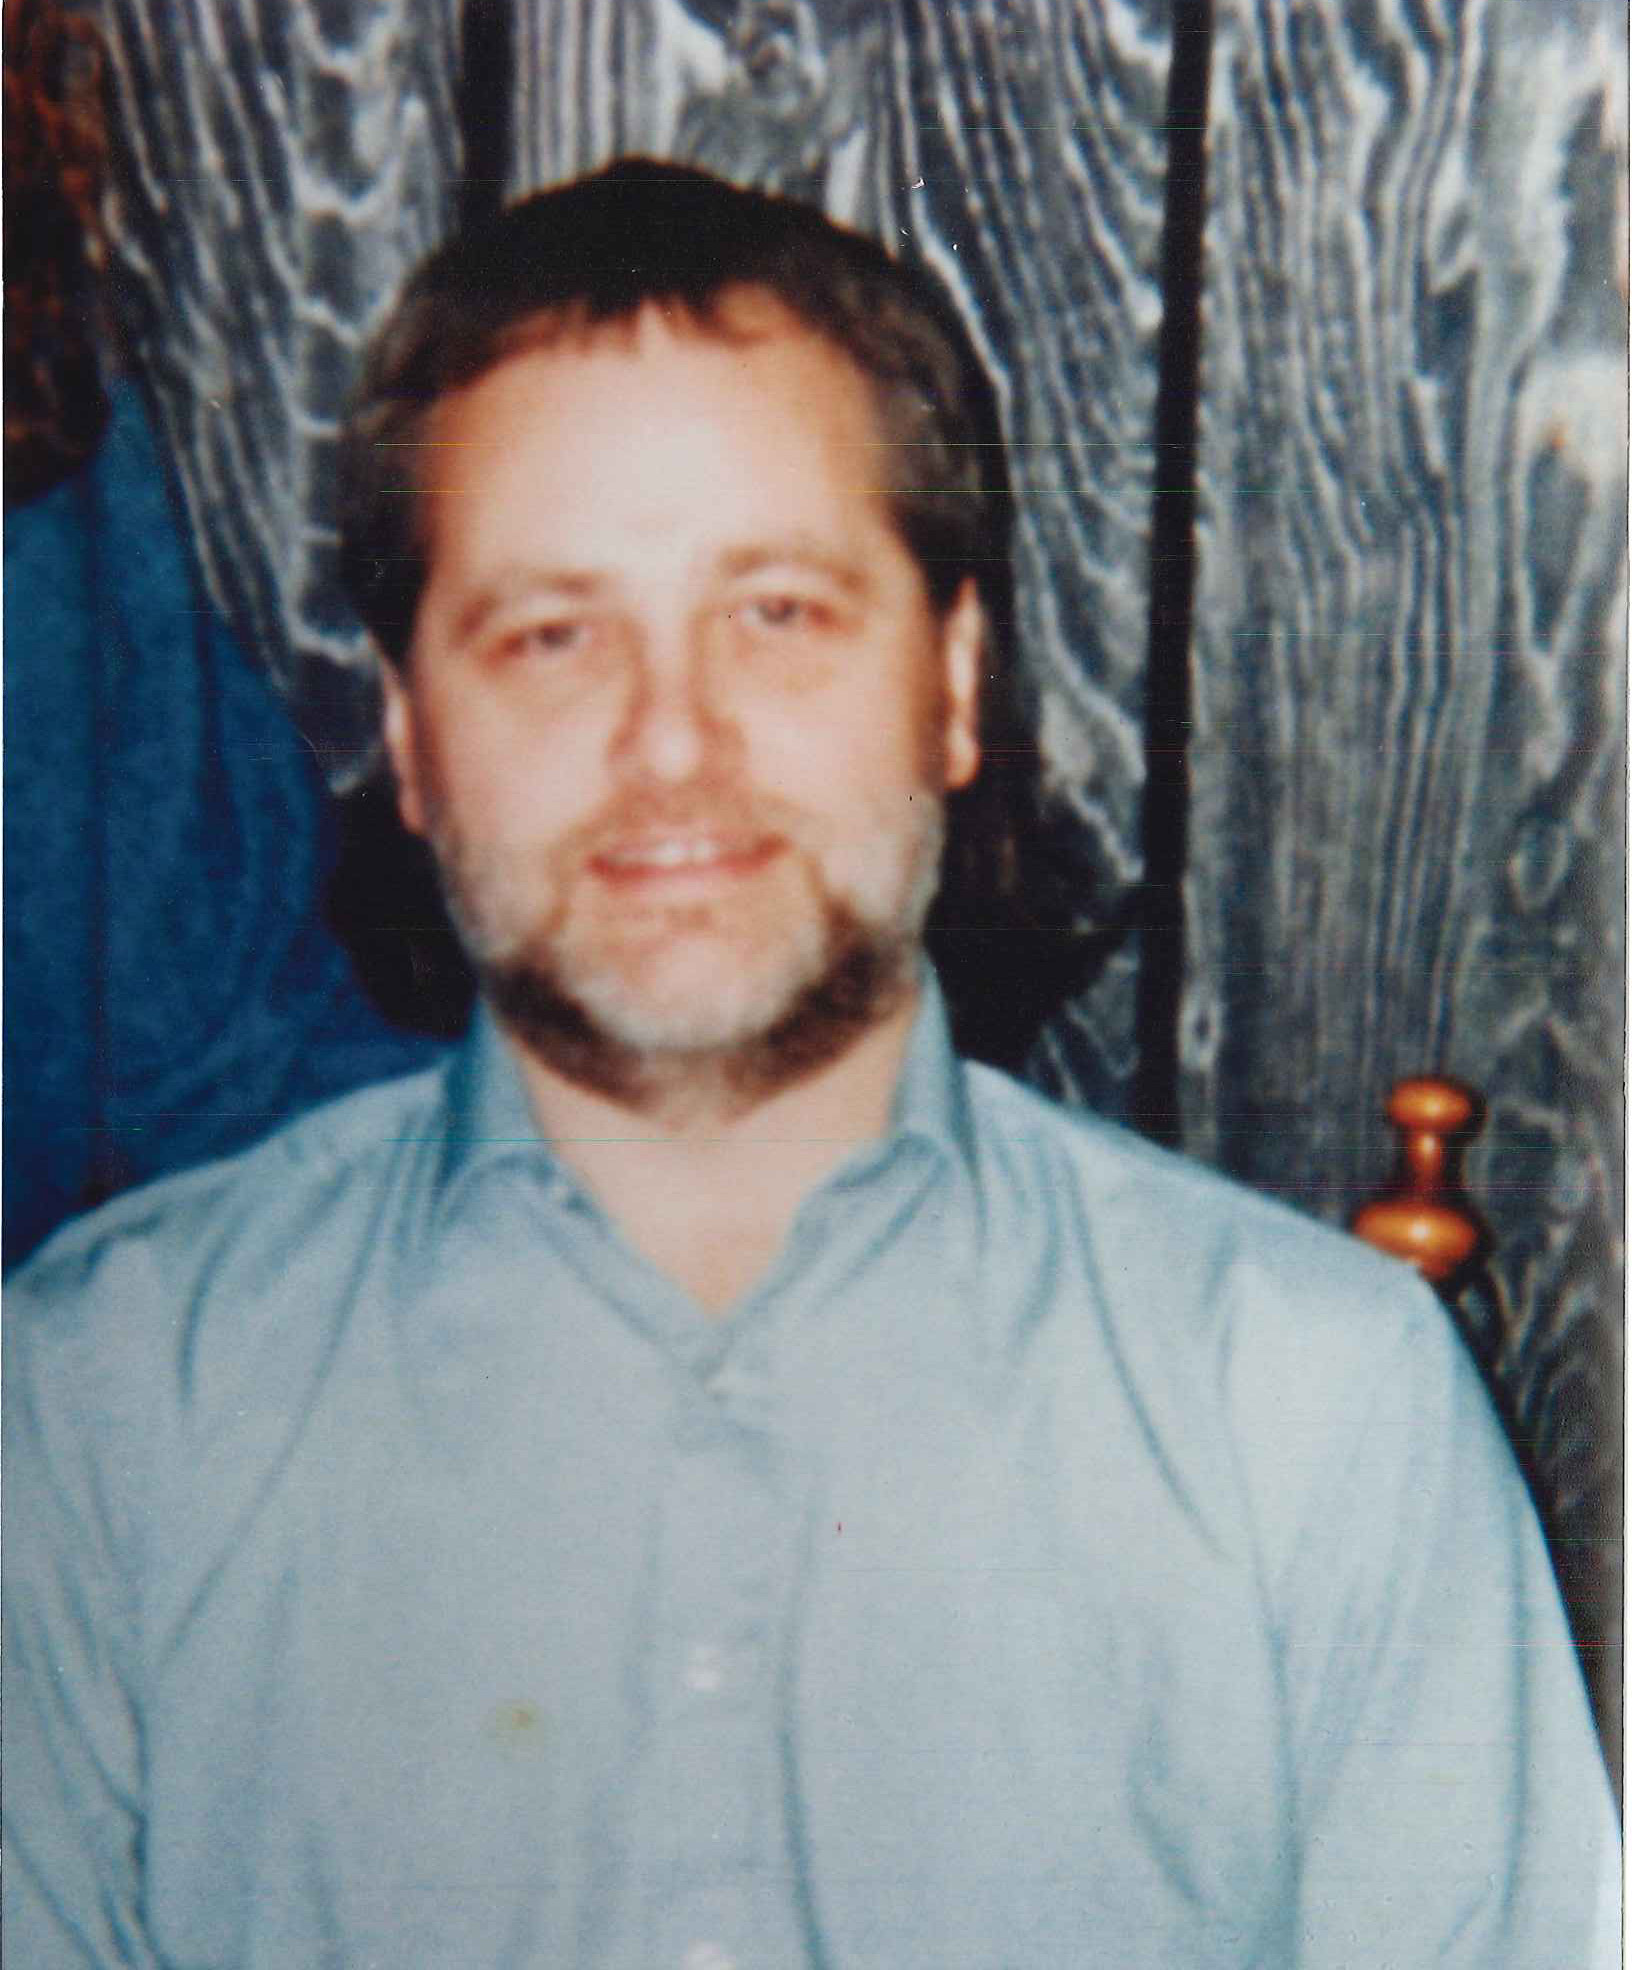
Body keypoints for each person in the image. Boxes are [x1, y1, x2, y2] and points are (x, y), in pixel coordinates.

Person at [3, 158, 1617, 1969]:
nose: (668, 740)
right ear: (413, 739)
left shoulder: (1315, 1417)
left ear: (953, 682)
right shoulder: (98, 1415)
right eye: (550, 635)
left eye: (774, 612)